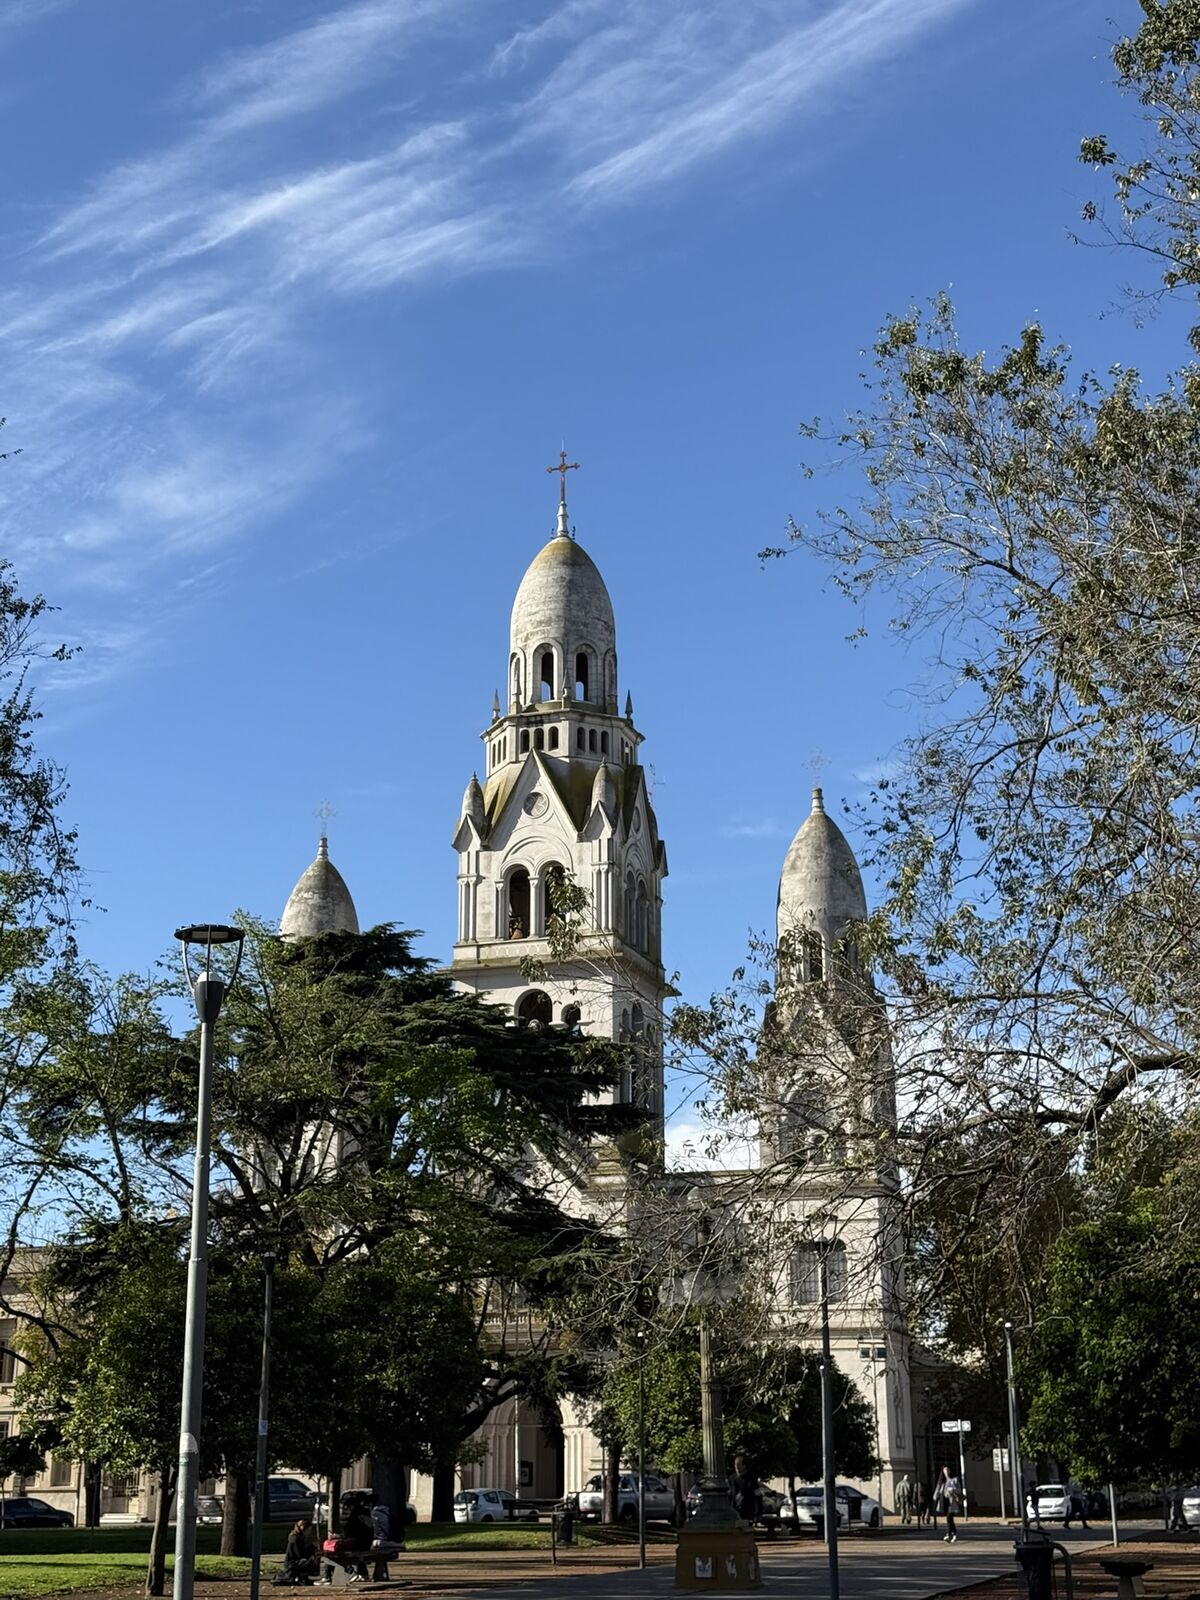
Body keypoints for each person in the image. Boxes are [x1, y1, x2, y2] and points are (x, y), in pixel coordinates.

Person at [280, 1518, 318, 1586]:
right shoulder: (295, 1539)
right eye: (308, 1530)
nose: (309, 1532)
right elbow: (300, 1554)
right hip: (292, 1564)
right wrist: (312, 1547)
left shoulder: (299, 1538)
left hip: (294, 1562)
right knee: (308, 1562)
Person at [731, 1456, 761, 1526]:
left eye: (739, 1464)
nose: (737, 1467)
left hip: (748, 1512)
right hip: (735, 1512)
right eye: (735, 1464)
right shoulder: (732, 1479)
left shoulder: (752, 1479)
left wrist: (758, 1513)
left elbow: (758, 1496)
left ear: (744, 1466)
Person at [937, 1466, 961, 1543]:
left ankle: (948, 1534)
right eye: (944, 1470)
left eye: (947, 1470)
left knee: (949, 1517)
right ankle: (954, 1534)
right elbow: (940, 1491)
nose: (946, 1472)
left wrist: (952, 1490)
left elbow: (958, 1490)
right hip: (945, 1501)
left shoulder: (954, 1480)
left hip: (952, 1501)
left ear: (950, 1471)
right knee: (950, 1519)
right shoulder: (943, 1481)